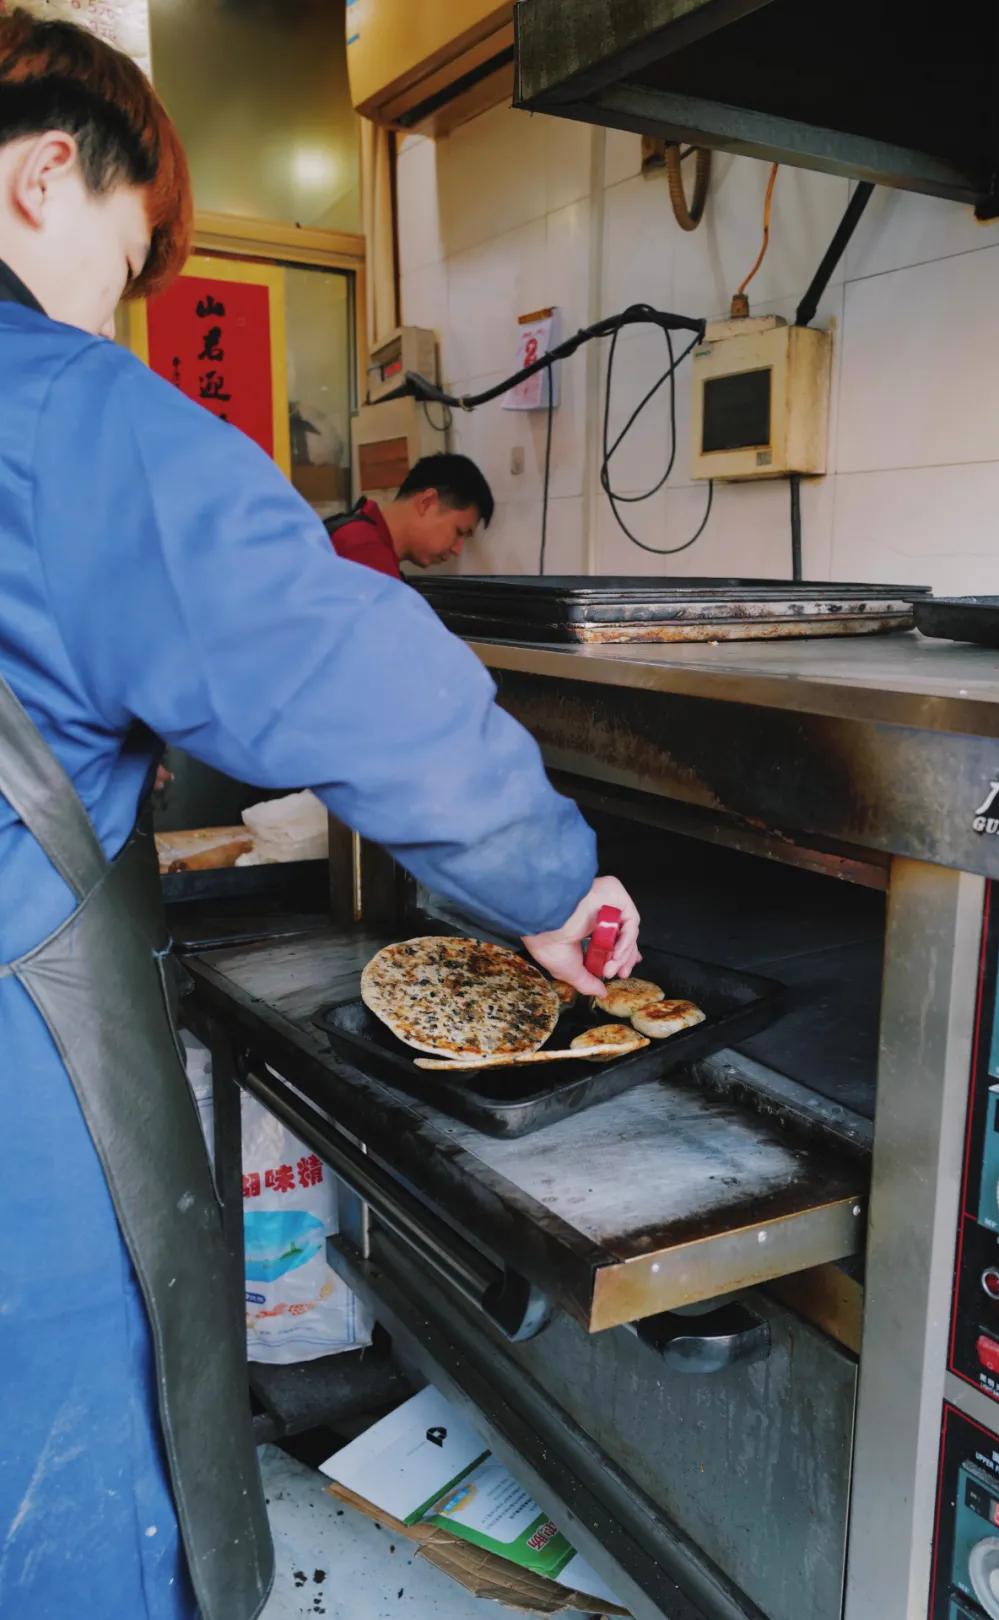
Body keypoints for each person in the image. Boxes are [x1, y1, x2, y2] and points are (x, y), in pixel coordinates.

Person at [0, 14, 640, 1620]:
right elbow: (340, 672)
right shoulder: (58, 416)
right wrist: (552, 883)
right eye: (127, 264)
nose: (114, 313)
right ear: (44, 174)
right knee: (65, 1497)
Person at [328, 452, 493, 579]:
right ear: (426, 503)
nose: (457, 550)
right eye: (459, 532)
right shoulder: (365, 553)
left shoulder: (358, 534)